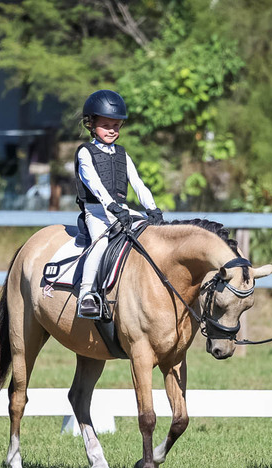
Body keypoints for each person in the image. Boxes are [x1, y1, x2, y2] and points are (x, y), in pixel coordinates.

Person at [74, 89, 163, 318]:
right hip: (97, 212)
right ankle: (86, 295)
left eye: (116, 125)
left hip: (121, 211)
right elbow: (93, 183)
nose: (112, 130)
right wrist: (111, 205)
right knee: (101, 243)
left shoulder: (123, 154)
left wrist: (151, 207)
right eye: (106, 125)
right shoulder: (85, 153)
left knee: (151, 236)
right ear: (91, 124)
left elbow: (137, 183)